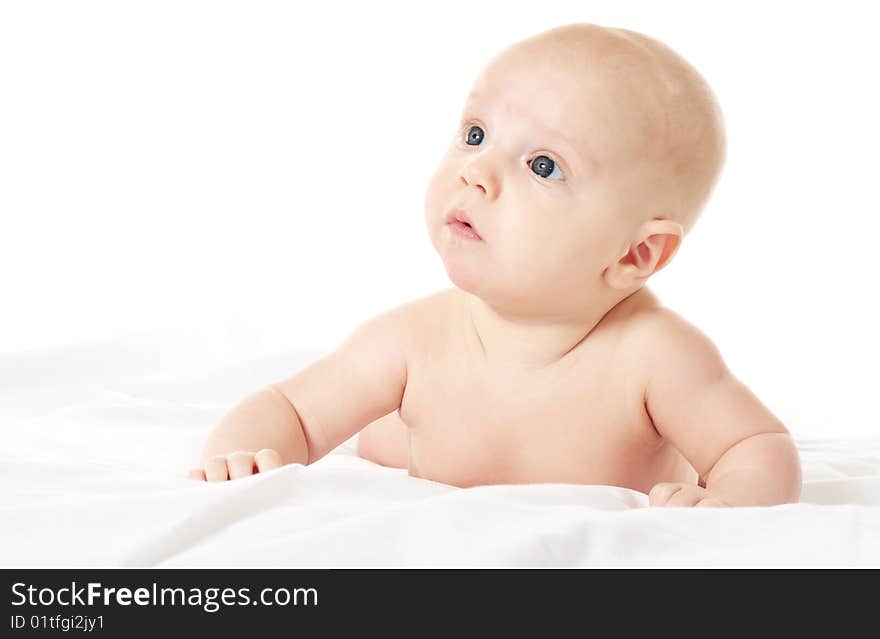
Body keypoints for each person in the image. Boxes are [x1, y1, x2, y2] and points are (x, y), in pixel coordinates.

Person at [188, 23, 801, 508]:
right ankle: (391, 435)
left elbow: (755, 445)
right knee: (377, 436)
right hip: (405, 432)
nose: (474, 172)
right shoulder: (413, 341)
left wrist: (732, 501)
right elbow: (292, 409)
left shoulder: (655, 357)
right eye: (475, 134)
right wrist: (241, 455)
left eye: (543, 165)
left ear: (635, 254)